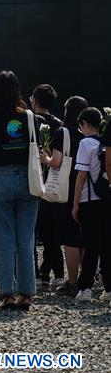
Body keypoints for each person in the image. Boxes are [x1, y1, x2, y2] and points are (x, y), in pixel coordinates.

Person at [0, 70, 42, 311]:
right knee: (25, 238)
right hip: (27, 178)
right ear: (18, 91)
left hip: (0, 176)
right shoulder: (29, 117)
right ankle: (26, 294)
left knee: (3, 238)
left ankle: (6, 293)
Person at [45, 96, 89, 296]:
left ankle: (72, 281)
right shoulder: (91, 134)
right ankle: (85, 278)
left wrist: (43, 158)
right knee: (85, 236)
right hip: (88, 189)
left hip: (67, 189)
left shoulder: (63, 132)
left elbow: (56, 161)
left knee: (70, 238)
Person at [71, 108, 110, 303]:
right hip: (106, 199)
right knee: (107, 245)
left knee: (91, 245)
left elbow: (81, 176)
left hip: (89, 200)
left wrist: (75, 203)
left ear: (85, 124)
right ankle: (108, 289)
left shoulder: (85, 143)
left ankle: (85, 288)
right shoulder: (105, 142)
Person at [30, 83, 64, 288]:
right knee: (52, 233)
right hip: (54, 182)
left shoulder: (30, 121)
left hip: (35, 181)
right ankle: (51, 272)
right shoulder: (59, 124)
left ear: (34, 99)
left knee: (32, 232)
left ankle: (35, 273)